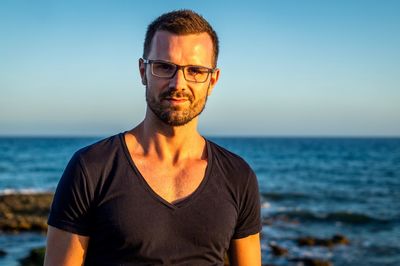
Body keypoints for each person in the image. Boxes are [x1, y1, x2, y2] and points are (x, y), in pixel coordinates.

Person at [44, 10, 261, 266]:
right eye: (164, 67)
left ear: (212, 80)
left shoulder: (238, 176)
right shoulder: (91, 168)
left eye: (195, 70)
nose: (178, 83)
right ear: (142, 71)